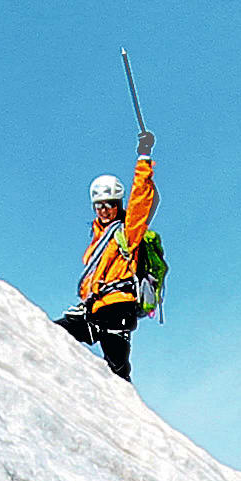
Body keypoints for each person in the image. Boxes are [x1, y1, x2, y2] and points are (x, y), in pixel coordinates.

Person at [57, 146, 163, 380]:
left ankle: (126, 412)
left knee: (117, 369)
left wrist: (144, 158)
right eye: (100, 205)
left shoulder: (128, 232)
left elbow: (140, 200)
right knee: (53, 333)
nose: (105, 210)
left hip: (118, 307)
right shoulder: (97, 240)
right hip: (94, 308)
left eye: (110, 204)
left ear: (118, 204)